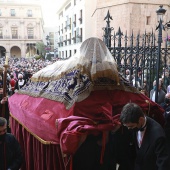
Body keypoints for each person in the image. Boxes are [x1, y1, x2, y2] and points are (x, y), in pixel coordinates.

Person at [120, 102, 169, 170]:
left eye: (131, 126)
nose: (129, 129)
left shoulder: (158, 135)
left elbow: (163, 163)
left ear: (141, 119)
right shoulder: (132, 125)